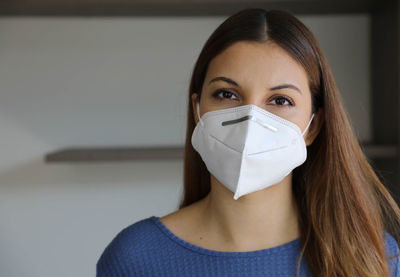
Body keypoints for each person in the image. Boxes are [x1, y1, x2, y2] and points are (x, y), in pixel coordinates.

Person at [96, 8, 400, 276]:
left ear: (313, 125)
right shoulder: (135, 258)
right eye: (227, 94)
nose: (251, 120)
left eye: (280, 100)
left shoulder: (372, 256)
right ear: (197, 109)